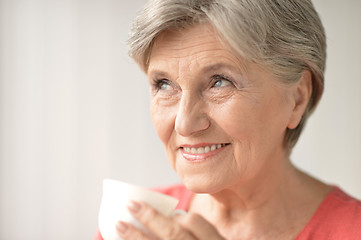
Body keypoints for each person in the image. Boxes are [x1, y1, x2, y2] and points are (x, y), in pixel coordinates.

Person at [94, 0, 361, 239]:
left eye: (219, 82)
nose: (184, 124)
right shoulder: (136, 225)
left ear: (298, 98)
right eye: (164, 85)